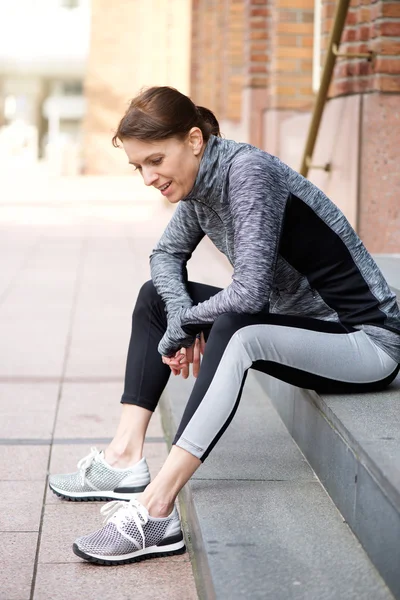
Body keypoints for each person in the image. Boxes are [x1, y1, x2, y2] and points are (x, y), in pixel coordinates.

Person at [49, 86, 400, 566]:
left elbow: (250, 296)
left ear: (194, 140)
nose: (149, 178)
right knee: (156, 297)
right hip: (297, 325)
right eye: (139, 167)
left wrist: (187, 324)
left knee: (236, 327)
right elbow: (165, 255)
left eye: (156, 160)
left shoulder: (248, 173)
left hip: (365, 342)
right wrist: (179, 317)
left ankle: (157, 508)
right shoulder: (198, 186)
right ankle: (125, 457)